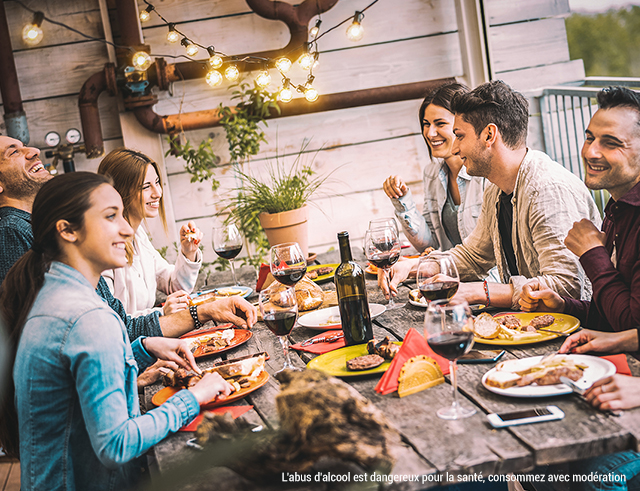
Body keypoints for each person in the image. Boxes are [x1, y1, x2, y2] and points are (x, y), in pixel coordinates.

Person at [0, 172, 233, 489]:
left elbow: (75, 382)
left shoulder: (50, 295)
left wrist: (143, 347)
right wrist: (195, 396)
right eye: (111, 217)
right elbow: (116, 445)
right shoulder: (89, 317)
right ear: (67, 231)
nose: (126, 229)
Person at [0, 136, 257, 342]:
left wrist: (145, 354)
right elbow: (96, 332)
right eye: (13, 152)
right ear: (67, 230)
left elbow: (115, 325)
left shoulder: (32, 228)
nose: (34, 150)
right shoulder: (12, 230)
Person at [379, 81, 601, 310]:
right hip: (531, 323)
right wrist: (414, 267)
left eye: (460, 136)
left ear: (489, 135)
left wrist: (479, 291)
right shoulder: (496, 189)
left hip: (579, 333)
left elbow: (567, 287)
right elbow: (473, 257)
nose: (455, 149)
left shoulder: (548, 189)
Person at [519, 86, 640, 333]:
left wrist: (593, 253)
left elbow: (632, 328)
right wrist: (564, 307)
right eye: (589, 138)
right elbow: (610, 317)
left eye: (611, 143)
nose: (590, 152)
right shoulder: (618, 208)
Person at [98, 148, 203, 316]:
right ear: (120, 192)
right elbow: (110, 321)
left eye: (157, 182)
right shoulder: (102, 248)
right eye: (146, 187)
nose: (158, 193)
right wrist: (161, 313)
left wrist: (188, 252)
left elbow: (173, 285)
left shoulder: (138, 235)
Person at [382, 82, 486, 252]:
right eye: (426, 124)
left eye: (440, 123)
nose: (430, 133)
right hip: (450, 274)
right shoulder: (431, 173)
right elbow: (430, 245)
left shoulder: (485, 175)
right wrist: (402, 201)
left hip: (487, 278)